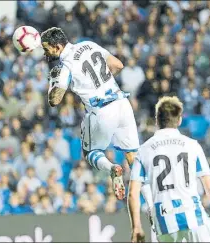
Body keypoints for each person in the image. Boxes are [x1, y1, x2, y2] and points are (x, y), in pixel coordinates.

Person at [41, 27, 138, 200]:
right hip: (122, 103)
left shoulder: (65, 66)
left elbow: (55, 101)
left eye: (46, 48)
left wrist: (53, 84)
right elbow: (118, 64)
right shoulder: (89, 45)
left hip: (102, 110)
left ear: (56, 47)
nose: (45, 53)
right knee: (132, 156)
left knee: (91, 152)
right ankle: (151, 200)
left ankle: (111, 169)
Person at [128, 96, 210, 242]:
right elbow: (209, 185)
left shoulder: (143, 151)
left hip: (164, 223)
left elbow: (132, 193)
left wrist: (136, 226)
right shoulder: (192, 145)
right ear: (179, 120)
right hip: (193, 217)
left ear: (157, 120)